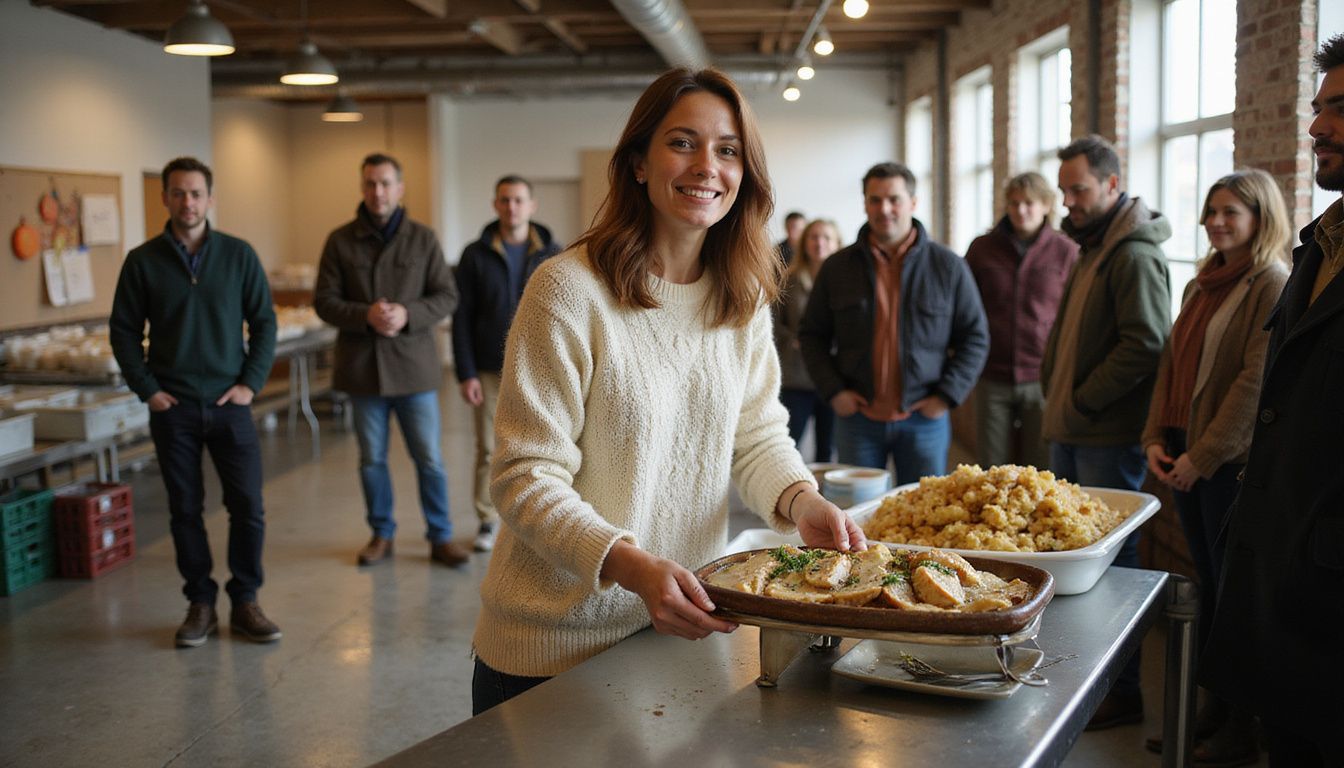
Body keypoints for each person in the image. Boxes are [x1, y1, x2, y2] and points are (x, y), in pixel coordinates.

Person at [470, 68, 866, 715]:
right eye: (682, 142)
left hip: (681, 632)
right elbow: (524, 475)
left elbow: (758, 436)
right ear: (637, 163)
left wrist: (802, 501)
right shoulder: (568, 291)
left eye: (728, 149)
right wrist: (631, 566)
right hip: (551, 651)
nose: (706, 165)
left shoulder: (741, 298)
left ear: (746, 172)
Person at [1200, 35, 1344, 768]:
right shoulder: (1326, 243)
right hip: (1284, 563)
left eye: (1340, 109)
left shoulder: (1288, 259)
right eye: (1320, 108)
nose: (1317, 126)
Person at [1139, 169, 1289, 765]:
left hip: (1223, 465)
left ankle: (1238, 729)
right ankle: (1210, 709)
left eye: (1231, 211)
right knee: (1207, 587)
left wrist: (1202, 458)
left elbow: (1256, 383)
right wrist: (1155, 435)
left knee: (1231, 596)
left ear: (1260, 217)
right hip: (1181, 451)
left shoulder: (1270, 283)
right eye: (1210, 212)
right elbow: (1172, 362)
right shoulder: (1202, 283)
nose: (1217, 222)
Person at [109, 157, 280, 647]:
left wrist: (250, 382)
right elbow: (123, 332)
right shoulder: (142, 261)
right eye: (178, 193)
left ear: (210, 198)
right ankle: (200, 602)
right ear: (165, 198)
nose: (188, 202)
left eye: (196, 193)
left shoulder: (238, 255)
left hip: (231, 405)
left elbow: (264, 322)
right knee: (185, 509)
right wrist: (148, 389)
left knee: (248, 505)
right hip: (174, 408)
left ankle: (245, 599)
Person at [1041, 134, 1171, 729]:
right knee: (1073, 566)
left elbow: (1144, 343)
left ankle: (1119, 691)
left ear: (1113, 185)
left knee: (1109, 575)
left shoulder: (1132, 253)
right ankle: (1082, 676)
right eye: (1065, 189)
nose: (1068, 200)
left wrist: (1085, 402)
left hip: (1104, 435)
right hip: (1075, 427)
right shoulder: (1094, 245)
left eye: (1079, 189)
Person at [313, 153, 469, 568]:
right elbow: (324, 302)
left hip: (414, 371)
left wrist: (408, 314)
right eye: (370, 184)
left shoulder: (423, 239)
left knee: (430, 460)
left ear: (399, 189)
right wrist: (364, 315)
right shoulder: (340, 240)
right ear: (362, 188)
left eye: (385, 183)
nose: (377, 192)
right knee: (371, 461)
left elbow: (447, 296)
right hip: (363, 372)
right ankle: (381, 533)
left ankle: (441, 536)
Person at [799, 162, 989, 485]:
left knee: (925, 518)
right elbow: (811, 335)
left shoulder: (948, 267)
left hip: (924, 421)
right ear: (865, 203)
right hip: (858, 419)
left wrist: (945, 396)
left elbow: (976, 337)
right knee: (856, 521)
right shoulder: (837, 267)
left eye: (894, 199)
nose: (884, 209)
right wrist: (834, 392)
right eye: (875, 200)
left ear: (913, 203)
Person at [452, 175, 563, 553]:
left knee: (542, 446)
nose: (511, 207)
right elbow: (461, 316)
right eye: (504, 200)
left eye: (518, 200)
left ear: (532, 206)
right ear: (495, 204)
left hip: (539, 368)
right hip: (488, 368)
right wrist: (465, 372)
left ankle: (534, 523)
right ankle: (487, 521)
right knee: (488, 448)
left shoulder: (552, 252)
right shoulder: (474, 255)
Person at [966, 172, 1078, 470]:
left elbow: (1074, 314)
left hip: (1043, 379)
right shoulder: (982, 248)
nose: (1020, 210)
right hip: (991, 375)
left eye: (1029, 203)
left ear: (1046, 205)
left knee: (1040, 468)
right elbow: (964, 308)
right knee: (992, 469)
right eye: (1014, 203)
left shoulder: (1066, 251)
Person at [774, 218, 841, 462]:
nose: (819, 243)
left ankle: (822, 498)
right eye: (813, 237)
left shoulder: (846, 282)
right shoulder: (787, 279)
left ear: (837, 244)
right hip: (796, 376)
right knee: (789, 443)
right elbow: (771, 322)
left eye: (826, 237)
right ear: (804, 243)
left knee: (828, 448)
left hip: (834, 377)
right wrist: (795, 339)